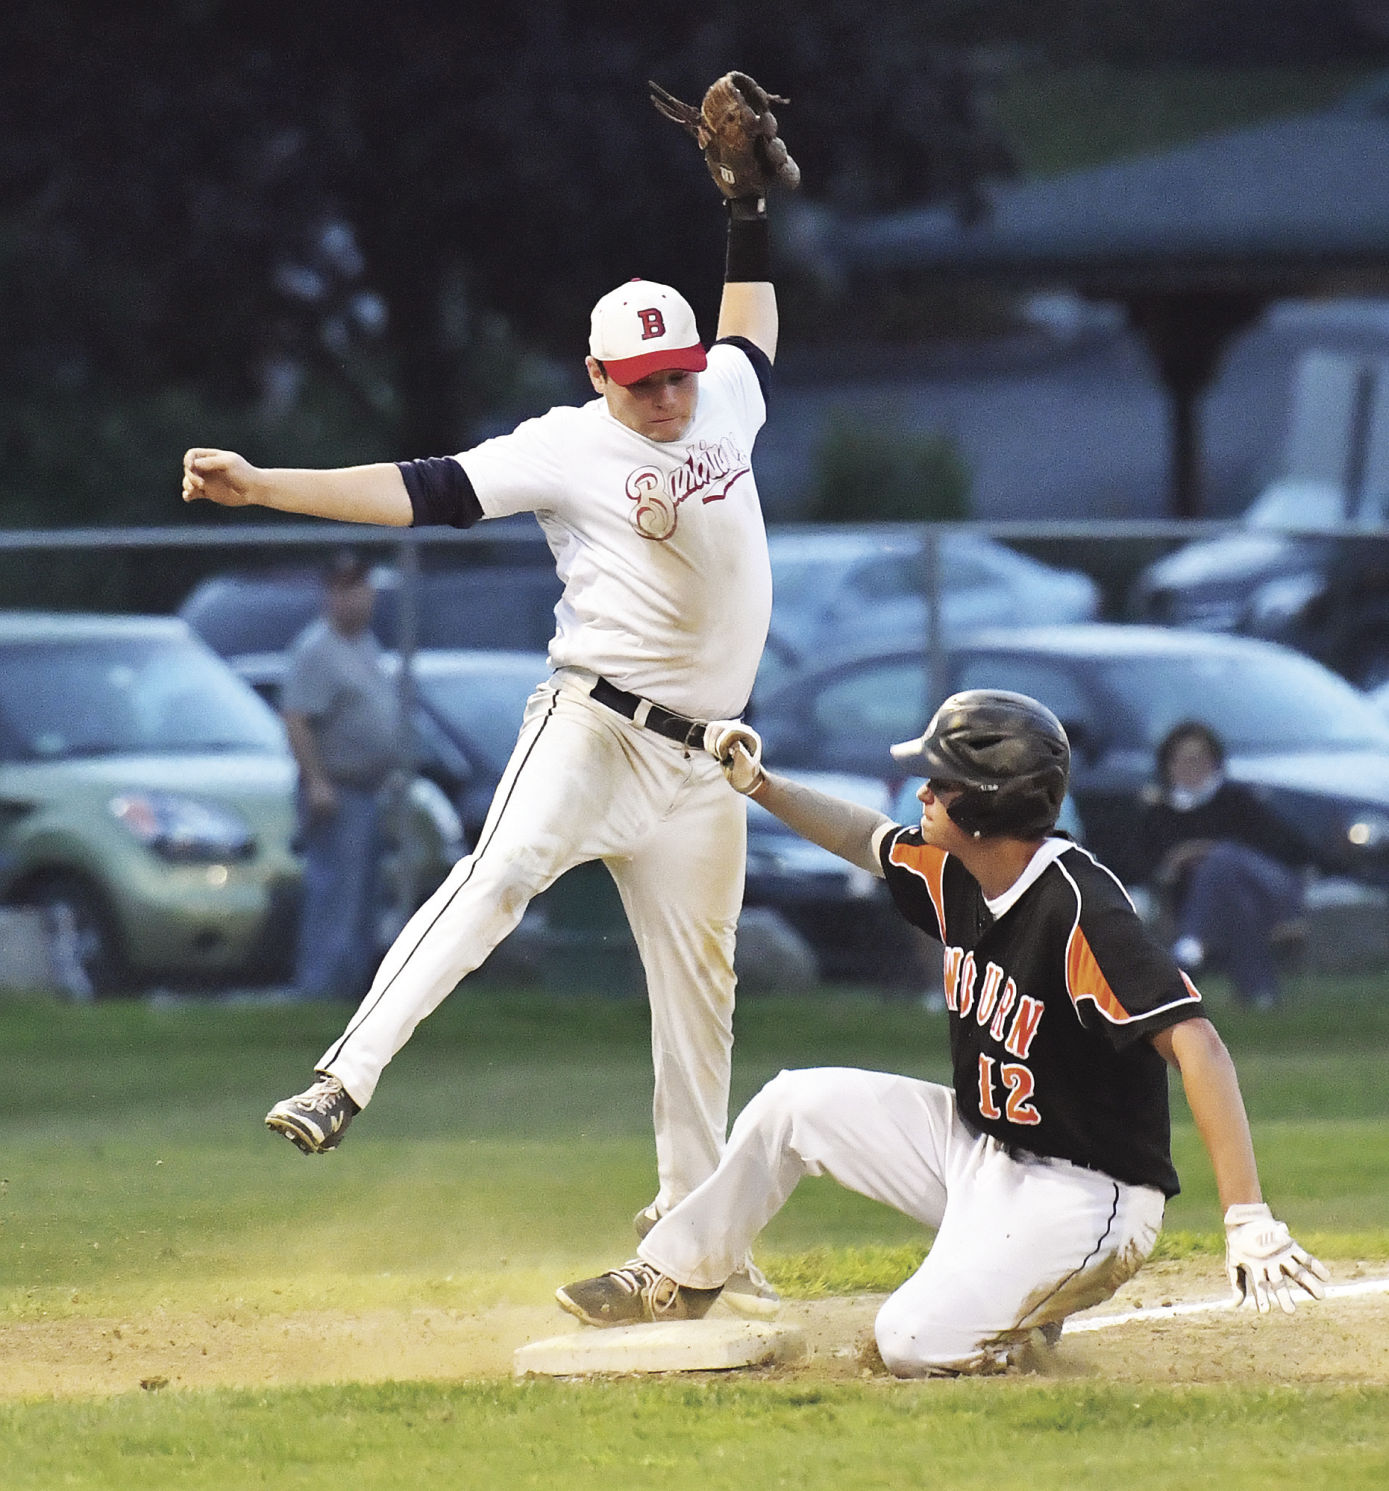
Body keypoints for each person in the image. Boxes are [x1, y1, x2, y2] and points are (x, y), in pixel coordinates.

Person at [180, 78, 792, 1317]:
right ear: (596, 373)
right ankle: (342, 1079)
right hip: (596, 728)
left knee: (702, 999)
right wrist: (262, 487)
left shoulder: (718, 392)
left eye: (676, 374)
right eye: (643, 381)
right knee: (497, 876)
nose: (669, 396)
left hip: (704, 765)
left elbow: (751, 335)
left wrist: (742, 214)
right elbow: (416, 491)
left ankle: (688, 1252)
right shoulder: (566, 444)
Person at [556, 691, 1328, 1376]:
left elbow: (1198, 1044)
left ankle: (1026, 1306)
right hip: (980, 1147)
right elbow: (864, 838)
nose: (922, 789)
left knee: (910, 1341)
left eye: (941, 779)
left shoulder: (1078, 909)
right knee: (794, 1103)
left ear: (989, 802)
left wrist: (1247, 1215)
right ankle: (675, 1275)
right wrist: (761, 784)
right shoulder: (956, 869)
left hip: (1088, 1193)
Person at [281, 549, 401, 1002]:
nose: (357, 597)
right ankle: (318, 993)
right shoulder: (317, 648)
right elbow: (296, 718)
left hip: (369, 791)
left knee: (363, 899)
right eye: (346, 587)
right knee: (336, 898)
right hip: (337, 791)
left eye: (362, 586)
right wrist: (316, 782)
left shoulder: (365, 644)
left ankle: (351, 994)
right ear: (330, 594)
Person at [1136, 720, 1312, 1010]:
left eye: (1199, 759)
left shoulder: (1238, 800)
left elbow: (1290, 848)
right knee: (1236, 902)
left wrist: (1208, 852)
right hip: (1216, 903)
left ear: (1214, 762)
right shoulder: (1159, 814)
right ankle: (1260, 996)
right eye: (1183, 760)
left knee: (1223, 858)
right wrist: (1175, 862)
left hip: (1269, 889)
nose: (1192, 767)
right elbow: (1142, 864)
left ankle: (1192, 941)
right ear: (1168, 766)